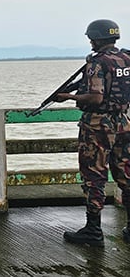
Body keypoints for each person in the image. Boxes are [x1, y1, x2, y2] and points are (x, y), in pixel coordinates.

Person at [54, 20, 130, 246]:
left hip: (97, 127)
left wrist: (68, 97)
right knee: (126, 176)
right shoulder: (126, 59)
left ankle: (93, 230)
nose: (90, 41)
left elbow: (96, 98)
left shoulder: (96, 63)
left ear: (96, 38)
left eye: (91, 38)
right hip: (124, 123)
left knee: (93, 177)